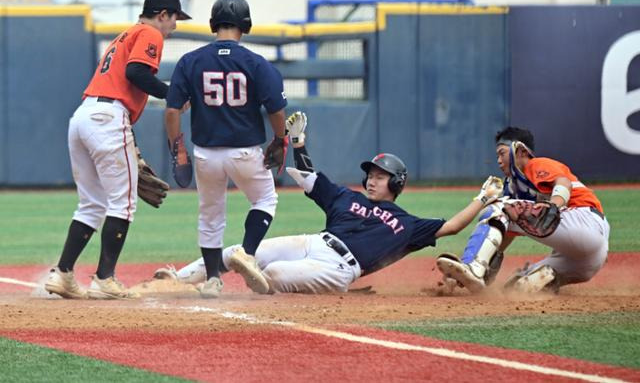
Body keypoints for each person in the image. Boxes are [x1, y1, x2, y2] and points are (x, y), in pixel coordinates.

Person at [155, 112, 503, 294]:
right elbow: (309, 177)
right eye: (370, 173)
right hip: (314, 242)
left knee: (273, 273)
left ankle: (261, 280)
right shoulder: (345, 197)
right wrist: (299, 143)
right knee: (238, 252)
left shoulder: (408, 224)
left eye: (380, 176)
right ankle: (177, 279)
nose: (371, 178)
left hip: (339, 269)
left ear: (395, 183)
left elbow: (453, 227)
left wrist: (482, 199)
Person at [44, 0, 191, 300]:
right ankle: (104, 279)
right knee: (122, 203)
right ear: (162, 14)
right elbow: (136, 73)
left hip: (84, 116)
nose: (175, 25)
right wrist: (173, 95)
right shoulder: (151, 33)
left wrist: (131, 146)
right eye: (175, 17)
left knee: (92, 204)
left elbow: (123, 81)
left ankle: (63, 274)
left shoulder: (124, 36)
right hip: (109, 117)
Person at [164, 0, 288, 299]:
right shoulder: (256, 63)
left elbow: (171, 110)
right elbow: (275, 109)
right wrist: (280, 139)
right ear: (245, 26)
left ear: (212, 25)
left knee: (210, 214)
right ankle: (245, 252)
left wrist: (176, 146)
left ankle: (212, 281)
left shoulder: (190, 61)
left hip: (206, 153)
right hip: (245, 150)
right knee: (265, 200)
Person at [436, 127, 610, 294]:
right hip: (587, 261)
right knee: (516, 286)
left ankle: (473, 266)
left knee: (498, 207)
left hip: (585, 222)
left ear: (520, 151)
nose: (498, 160)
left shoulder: (535, 165)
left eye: (502, 153)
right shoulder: (513, 189)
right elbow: (505, 229)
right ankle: (546, 280)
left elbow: (564, 183)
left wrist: (554, 204)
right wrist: (486, 262)